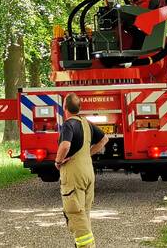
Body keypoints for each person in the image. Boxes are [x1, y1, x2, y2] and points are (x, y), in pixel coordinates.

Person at [55, 93, 107, 248]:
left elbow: (65, 145)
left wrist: (58, 161)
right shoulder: (86, 123)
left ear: (64, 108)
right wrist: (87, 153)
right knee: (84, 213)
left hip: (74, 174)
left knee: (75, 213)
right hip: (88, 171)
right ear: (80, 108)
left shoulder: (68, 124)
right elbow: (105, 139)